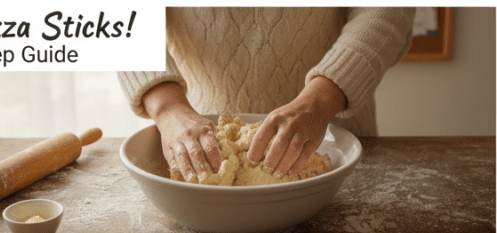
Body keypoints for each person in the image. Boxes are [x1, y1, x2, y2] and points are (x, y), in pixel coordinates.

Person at [119, 8, 415, 182]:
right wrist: (168, 107)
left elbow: (387, 11)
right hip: (196, 140)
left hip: (333, 145)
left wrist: (321, 99)